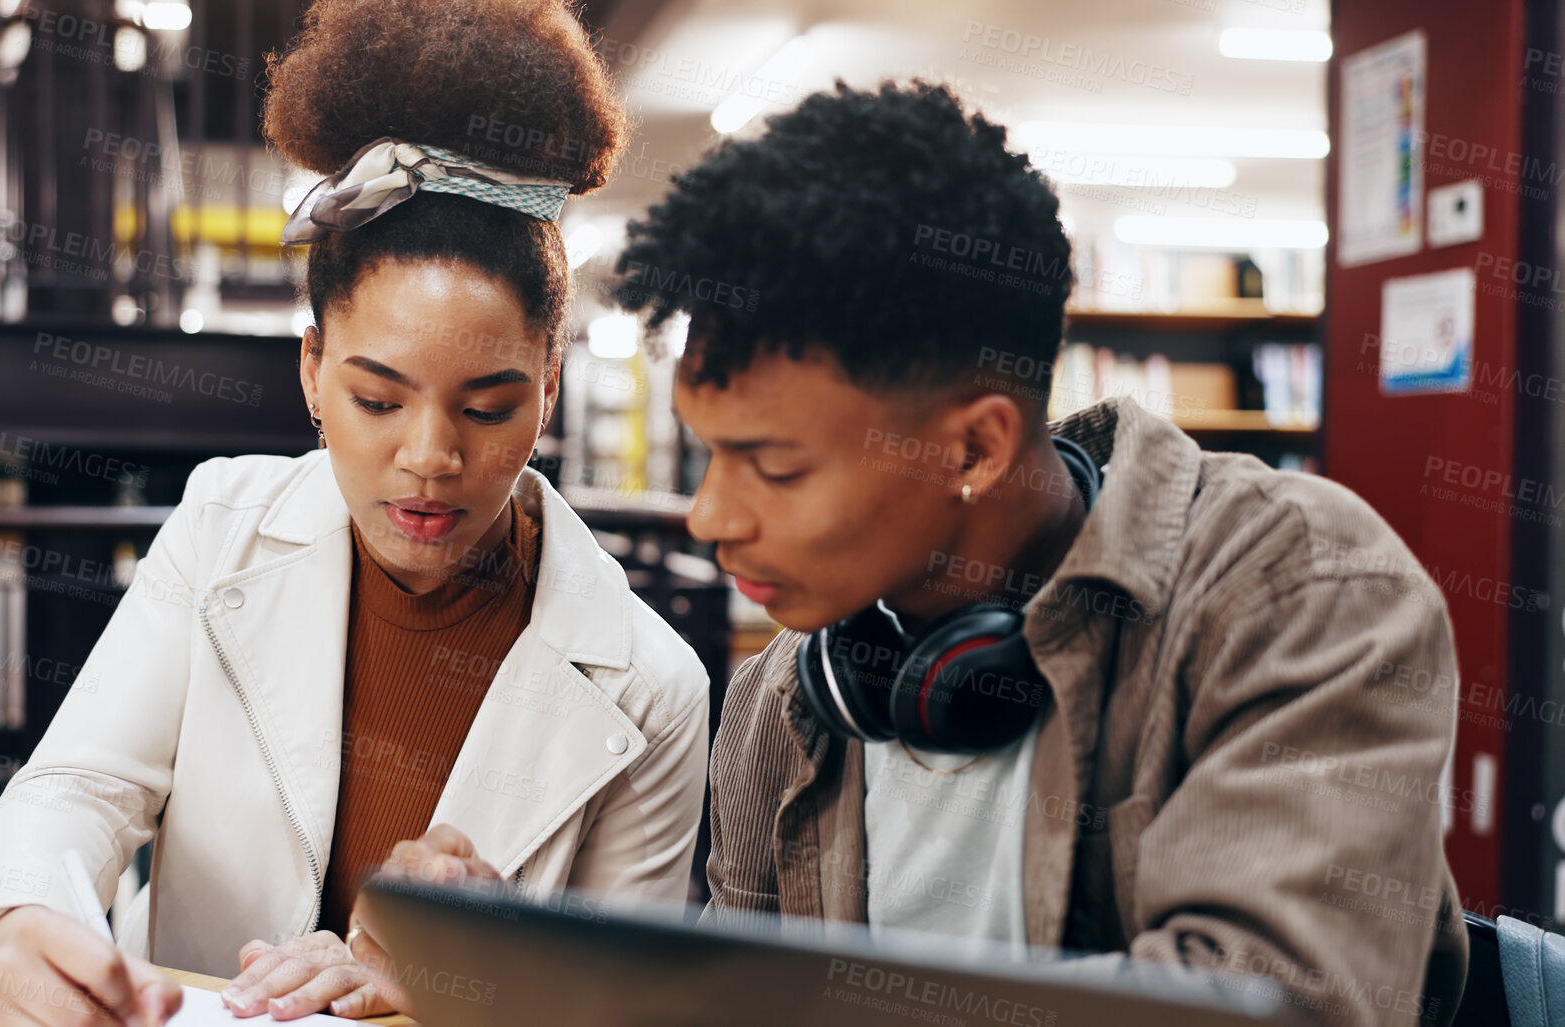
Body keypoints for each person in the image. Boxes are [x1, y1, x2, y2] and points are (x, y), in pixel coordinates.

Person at [359, 81, 1468, 1027]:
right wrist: (535, 983)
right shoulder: (786, 697)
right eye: (711, 457)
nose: (710, 518)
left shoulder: (1303, 595)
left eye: (774, 466)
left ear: (974, 445)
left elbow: (1291, 1004)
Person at [0, 1, 710, 1022]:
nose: (430, 458)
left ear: (551, 390)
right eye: (378, 399)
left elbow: (623, 1011)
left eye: (488, 406)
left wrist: (476, 983)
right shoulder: (224, 519)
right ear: (311, 370)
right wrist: (20, 914)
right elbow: (77, 787)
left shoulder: (652, 686)